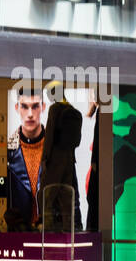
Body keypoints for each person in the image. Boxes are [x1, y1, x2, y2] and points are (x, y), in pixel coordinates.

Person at [7, 87, 81, 230]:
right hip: (69, 159)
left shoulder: (55, 109)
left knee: (45, 195)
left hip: (55, 159)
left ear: (43, 106)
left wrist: (45, 157)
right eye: (24, 106)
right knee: (67, 197)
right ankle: (69, 228)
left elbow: (50, 135)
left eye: (35, 106)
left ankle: (48, 229)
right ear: (17, 108)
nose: (30, 114)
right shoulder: (71, 109)